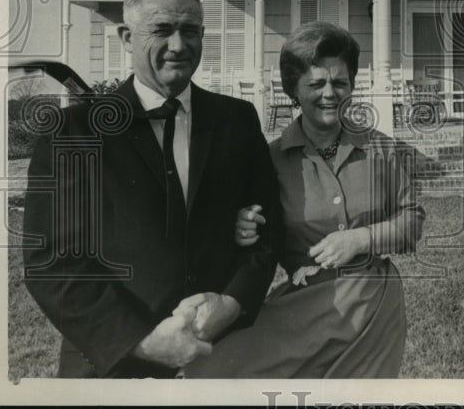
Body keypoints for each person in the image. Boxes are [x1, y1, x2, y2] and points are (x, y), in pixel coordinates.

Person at [23, 0, 279, 378]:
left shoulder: (236, 120)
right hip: (113, 368)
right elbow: (51, 261)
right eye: (161, 29)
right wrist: (142, 340)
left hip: (221, 358)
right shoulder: (73, 131)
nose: (178, 45)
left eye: (190, 30)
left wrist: (231, 302)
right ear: (126, 37)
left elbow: (268, 228)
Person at [182, 21, 425, 378]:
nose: (330, 93)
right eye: (316, 84)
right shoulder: (270, 159)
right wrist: (239, 226)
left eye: (340, 82)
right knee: (210, 370)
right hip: (302, 305)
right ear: (293, 89)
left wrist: (361, 238)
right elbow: (254, 238)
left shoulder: (380, 148)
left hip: (373, 305)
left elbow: (412, 220)